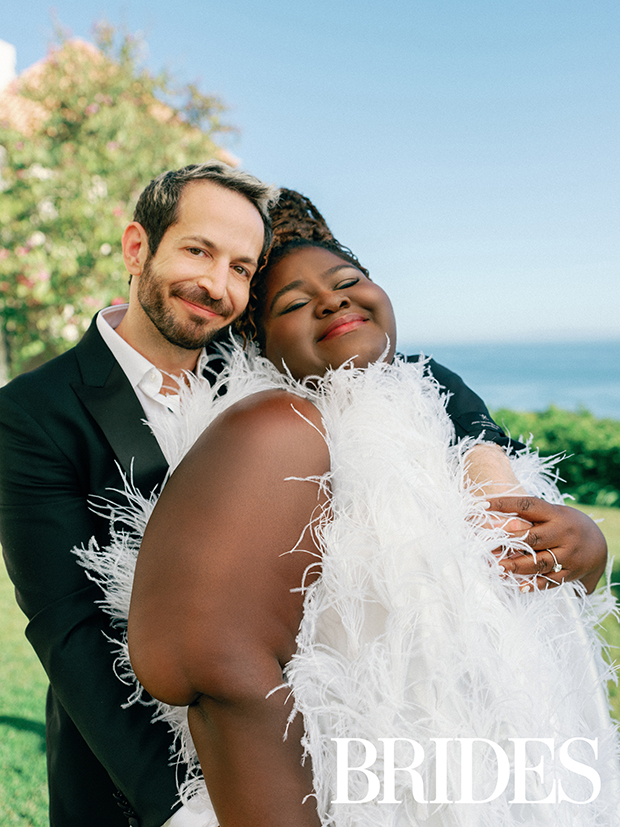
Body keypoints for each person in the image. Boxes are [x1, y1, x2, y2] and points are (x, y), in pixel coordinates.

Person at [0, 164, 579, 826]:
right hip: (135, 781)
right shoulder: (31, 412)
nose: (218, 285)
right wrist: (184, 809)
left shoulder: (260, 360)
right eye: (198, 250)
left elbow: (402, 375)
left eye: (242, 268)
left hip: (305, 761)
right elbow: (68, 627)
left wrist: (505, 471)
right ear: (138, 248)